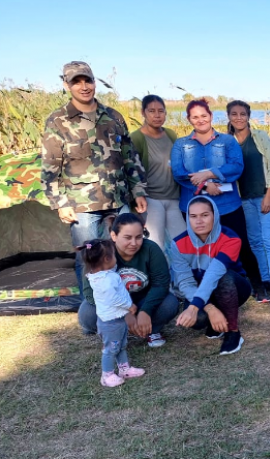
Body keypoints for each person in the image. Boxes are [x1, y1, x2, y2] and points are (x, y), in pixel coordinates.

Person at [40, 61, 148, 299]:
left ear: (94, 82)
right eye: (76, 82)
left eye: (87, 80)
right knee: (87, 258)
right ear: (66, 85)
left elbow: (129, 157)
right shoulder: (57, 121)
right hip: (82, 205)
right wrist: (60, 203)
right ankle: (93, 306)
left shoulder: (113, 117)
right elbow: (49, 167)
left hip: (118, 199)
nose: (84, 86)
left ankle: (128, 301)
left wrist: (138, 190)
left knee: (127, 251)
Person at [170, 98, 263, 296]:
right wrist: (205, 184)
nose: (200, 120)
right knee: (201, 248)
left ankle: (255, 285)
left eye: (204, 115)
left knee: (240, 243)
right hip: (193, 206)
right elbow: (179, 172)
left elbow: (236, 167)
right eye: (195, 117)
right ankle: (200, 288)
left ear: (211, 116)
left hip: (227, 204)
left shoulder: (227, 141)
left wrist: (209, 173)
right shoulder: (181, 145)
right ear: (189, 119)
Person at [78, 213, 180, 348]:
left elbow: (161, 283)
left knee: (170, 303)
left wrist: (146, 311)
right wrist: (123, 313)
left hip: (143, 300)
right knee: (87, 315)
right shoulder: (102, 252)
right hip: (115, 304)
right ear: (114, 236)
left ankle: (151, 330)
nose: (134, 243)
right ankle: (116, 332)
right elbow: (89, 291)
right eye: (127, 237)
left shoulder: (151, 249)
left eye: (138, 237)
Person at [171, 196, 251, 355]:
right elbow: (186, 282)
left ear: (215, 215)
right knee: (197, 320)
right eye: (193, 216)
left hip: (235, 287)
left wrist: (194, 307)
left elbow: (214, 273)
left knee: (222, 277)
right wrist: (209, 308)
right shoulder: (178, 244)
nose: (199, 221)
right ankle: (216, 322)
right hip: (202, 292)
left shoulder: (231, 238)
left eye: (205, 215)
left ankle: (233, 331)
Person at [227, 100, 270, 305]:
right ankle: (265, 280)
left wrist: (269, 195)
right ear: (229, 117)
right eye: (234, 114)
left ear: (248, 116)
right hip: (243, 199)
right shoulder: (228, 141)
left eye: (243, 114)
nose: (239, 118)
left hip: (263, 195)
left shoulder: (259, 137)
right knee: (255, 242)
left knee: (269, 241)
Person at [76, 238, 145, 387]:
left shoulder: (102, 275)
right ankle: (107, 376)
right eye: (113, 255)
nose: (116, 258)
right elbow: (114, 298)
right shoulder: (104, 281)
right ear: (107, 259)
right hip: (111, 322)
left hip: (117, 319)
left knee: (120, 345)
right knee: (110, 349)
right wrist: (129, 306)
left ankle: (124, 369)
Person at [129, 94, 182, 252]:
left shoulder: (171, 135)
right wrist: (136, 198)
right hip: (151, 199)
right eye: (151, 111)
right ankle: (158, 277)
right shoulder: (136, 138)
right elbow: (131, 169)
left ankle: (182, 277)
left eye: (161, 111)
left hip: (174, 198)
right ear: (143, 113)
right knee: (155, 245)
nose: (157, 115)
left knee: (181, 242)